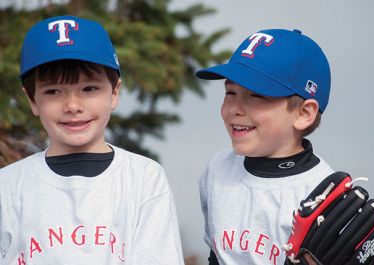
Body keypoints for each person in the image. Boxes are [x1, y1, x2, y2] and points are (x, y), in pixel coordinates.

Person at [0, 15, 184, 265]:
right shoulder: (8, 186)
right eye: (53, 91)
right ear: (32, 99)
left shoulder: (143, 178)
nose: (73, 105)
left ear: (114, 93)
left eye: (89, 89)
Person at [196, 29, 334, 265]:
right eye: (230, 92)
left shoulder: (324, 192)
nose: (234, 108)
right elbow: (215, 255)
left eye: (257, 95)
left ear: (304, 113)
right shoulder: (217, 170)